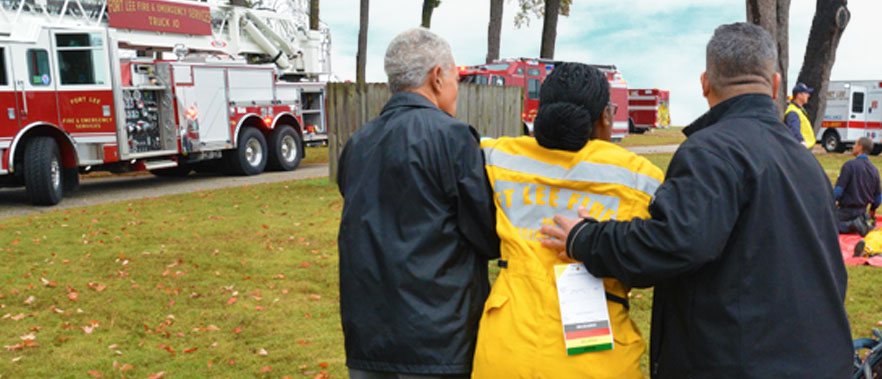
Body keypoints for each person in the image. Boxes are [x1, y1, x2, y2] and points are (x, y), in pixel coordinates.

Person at [539, 23, 853, 378]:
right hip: (822, 361)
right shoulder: (807, 164)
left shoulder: (711, 152)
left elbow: (672, 243)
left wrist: (586, 239)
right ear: (776, 84)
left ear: (705, 83)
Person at [472, 63, 663, 379]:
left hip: (505, 352)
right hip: (595, 359)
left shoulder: (498, 157)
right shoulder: (639, 177)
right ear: (605, 116)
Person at [336, 28, 500, 378]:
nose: (458, 89)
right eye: (456, 77)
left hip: (368, 337)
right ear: (437, 77)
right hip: (436, 341)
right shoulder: (453, 138)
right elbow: (486, 234)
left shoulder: (358, 143)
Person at [834, 137, 881, 236]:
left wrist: (829, 203)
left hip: (845, 213)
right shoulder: (874, 170)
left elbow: (838, 192)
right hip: (862, 213)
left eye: (855, 144)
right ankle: (859, 225)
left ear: (860, 147)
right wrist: (872, 210)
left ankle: (850, 225)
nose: (853, 147)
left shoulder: (849, 166)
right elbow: (878, 198)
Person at [783, 82, 816, 149]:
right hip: (801, 148)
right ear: (799, 95)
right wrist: (801, 141)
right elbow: (794, 129)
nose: (808, 95)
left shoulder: (799, 110)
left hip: (803, 148)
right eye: (806, 93)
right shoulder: (793, 112)